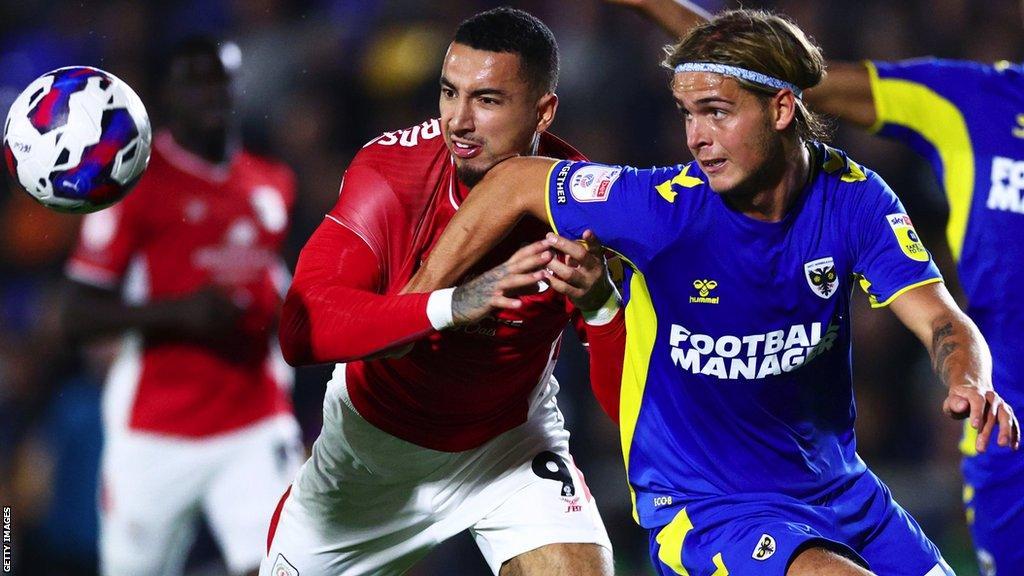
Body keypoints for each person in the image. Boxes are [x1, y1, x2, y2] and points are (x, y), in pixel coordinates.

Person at [402, 9, 1021, 576]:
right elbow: (512, 182)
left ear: (781, 109)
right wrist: (417, 300)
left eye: (717, 112)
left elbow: (942, 319)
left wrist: (972, 379)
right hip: (711, 509)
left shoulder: (853, 198)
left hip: (843, 496)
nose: (695, 137)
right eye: (687, 114)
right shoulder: (661, 207)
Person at [262, 8, 616, 576]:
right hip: (369, 456)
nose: (459, 121)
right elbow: (300, 331)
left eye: (488, 100)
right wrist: (450, 304)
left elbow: (623, 398)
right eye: (450, 93)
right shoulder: (391, 172)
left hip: (508, 448)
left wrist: (602, 306)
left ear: (542, 111)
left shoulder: (578, 201)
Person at [62, 37, 303, 576]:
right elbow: (76, 314)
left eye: (220, 76)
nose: (210, 91)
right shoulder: (133, 184)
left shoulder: (273, 182)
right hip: (157, 426)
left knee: (283, 566)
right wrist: (177, 313)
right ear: (166, 94)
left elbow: (274, 279)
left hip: (254, 418)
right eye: (193, 79)